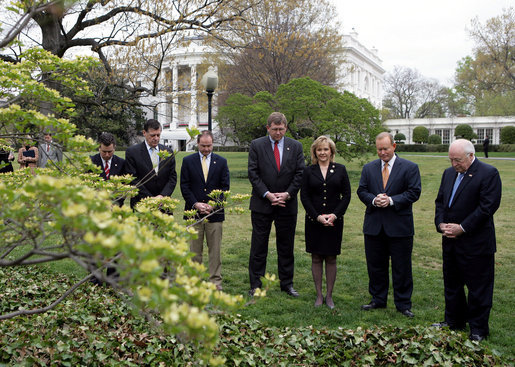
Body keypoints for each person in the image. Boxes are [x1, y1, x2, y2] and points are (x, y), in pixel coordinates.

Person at [433, 139, 501, 341]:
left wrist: (463, 228)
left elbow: (487, 207)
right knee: (452, 284)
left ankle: (478, 329)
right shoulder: (448, 173)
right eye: (451, 160)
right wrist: (441, 224)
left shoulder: (488, 174)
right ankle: (453, 321)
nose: (454, 164)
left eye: (458, 160)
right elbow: (440, 202)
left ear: (471, 156)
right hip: (450, 242)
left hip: (476, 243)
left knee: (478, 288)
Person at [357, 132, 421, 318]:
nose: (382, 152)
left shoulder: (409, 168)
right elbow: (362, 191)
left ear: (394, 146)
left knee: (402, 267)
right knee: (375, 265)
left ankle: (403, 304)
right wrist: (374, 199)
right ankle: (378, 299)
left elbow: (414, 192)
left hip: (399, 226)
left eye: (385, 148)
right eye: (379, 149)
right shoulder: (369, 168)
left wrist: (392, 200)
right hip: (374, 226)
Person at [247, 112, 305, 297]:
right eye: (274, 129)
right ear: (268, 128)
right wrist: (268, 195)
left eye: (281, 129)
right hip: (262, 204)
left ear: (286, 128)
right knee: (258, 247)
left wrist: (287, 194)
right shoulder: (257, 145)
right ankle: (256, 284)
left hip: (287, 205)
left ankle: (287, 284)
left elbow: (299, 173)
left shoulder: (295, 147)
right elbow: (253, 173)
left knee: (286, 247)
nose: (278, 133)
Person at [300, 136, 351, 309]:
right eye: (319, 149)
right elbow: (304, 196)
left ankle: (329, 296)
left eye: (326, 149)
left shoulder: (341, 170)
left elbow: (347, 195)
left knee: (331, 258)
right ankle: (319, 295)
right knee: (316, 257)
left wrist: (335, 215)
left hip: (334, 222)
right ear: (315, 152)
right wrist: (317, 217)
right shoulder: (309, 171)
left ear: (331, 151)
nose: (323, 152)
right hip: (314, 221)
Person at [180, 130, 230, 291]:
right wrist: (196, 204)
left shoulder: (221, 162)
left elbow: (225, 187)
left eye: (209, 146)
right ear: (197, 144)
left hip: (214, 215)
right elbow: (184, 186)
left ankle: (215, 282)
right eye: (203, 146)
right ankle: (194, 281)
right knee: (195, 250)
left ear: (213, 144)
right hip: (193, 214)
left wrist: (213, 205)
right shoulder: (188, 161)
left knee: (214, 251)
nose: (206, 149)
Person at [125, 119, 177, 209]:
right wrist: (149, 199)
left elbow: (172, 178)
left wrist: (162, 196)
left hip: (163, 205)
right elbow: (133, 179)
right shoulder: (133, 152)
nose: (156, 138)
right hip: (141, 205)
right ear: (144, 133)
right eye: (153, 135)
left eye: (158, 135)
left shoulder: (168, 152)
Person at [90, 132, 126, 204]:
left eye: (110, 152)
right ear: (99, 148)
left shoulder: (121, 163)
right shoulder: (90, 162)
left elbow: (124, 188)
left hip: (116, 206)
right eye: (104, 152)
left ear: (114, 148)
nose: (107, 155)